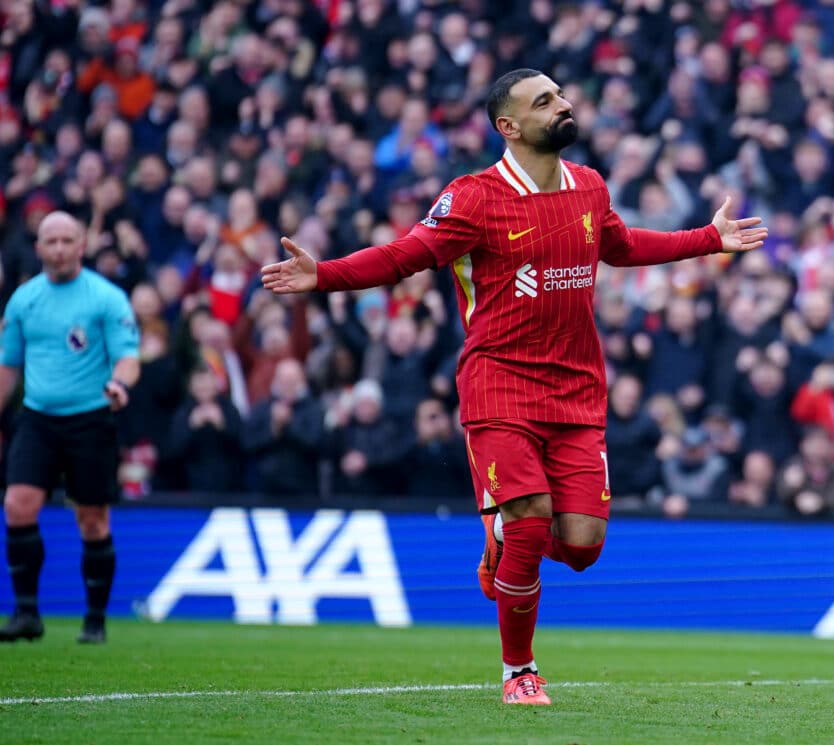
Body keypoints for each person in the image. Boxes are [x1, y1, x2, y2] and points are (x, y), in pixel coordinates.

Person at [261, 69, 766, 704]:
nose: (564, 105)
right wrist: (325, 276)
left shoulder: (589, 187)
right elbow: (405, 255)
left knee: (581, 547)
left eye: (560, 95)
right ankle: (519, 671)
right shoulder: (473, 198)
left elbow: (621, 244)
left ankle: (502, 536)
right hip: (499, 384)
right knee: (530, 523)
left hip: (578, 392)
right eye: (545, 101)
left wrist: (708, 239)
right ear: (509, 126)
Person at [0, 211, 140, 644]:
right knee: (17, 506)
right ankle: (27, 614)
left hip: (90, 419)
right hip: (38, 418)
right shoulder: (24, 300)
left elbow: (128, 357)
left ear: (82, 245)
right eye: (50, 241)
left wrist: (118, 384)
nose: (58, 249)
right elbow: (8, 367)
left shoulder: (106, 297)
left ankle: (94, 621)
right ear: (38, 247)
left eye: (67, 240)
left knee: (93, 519)